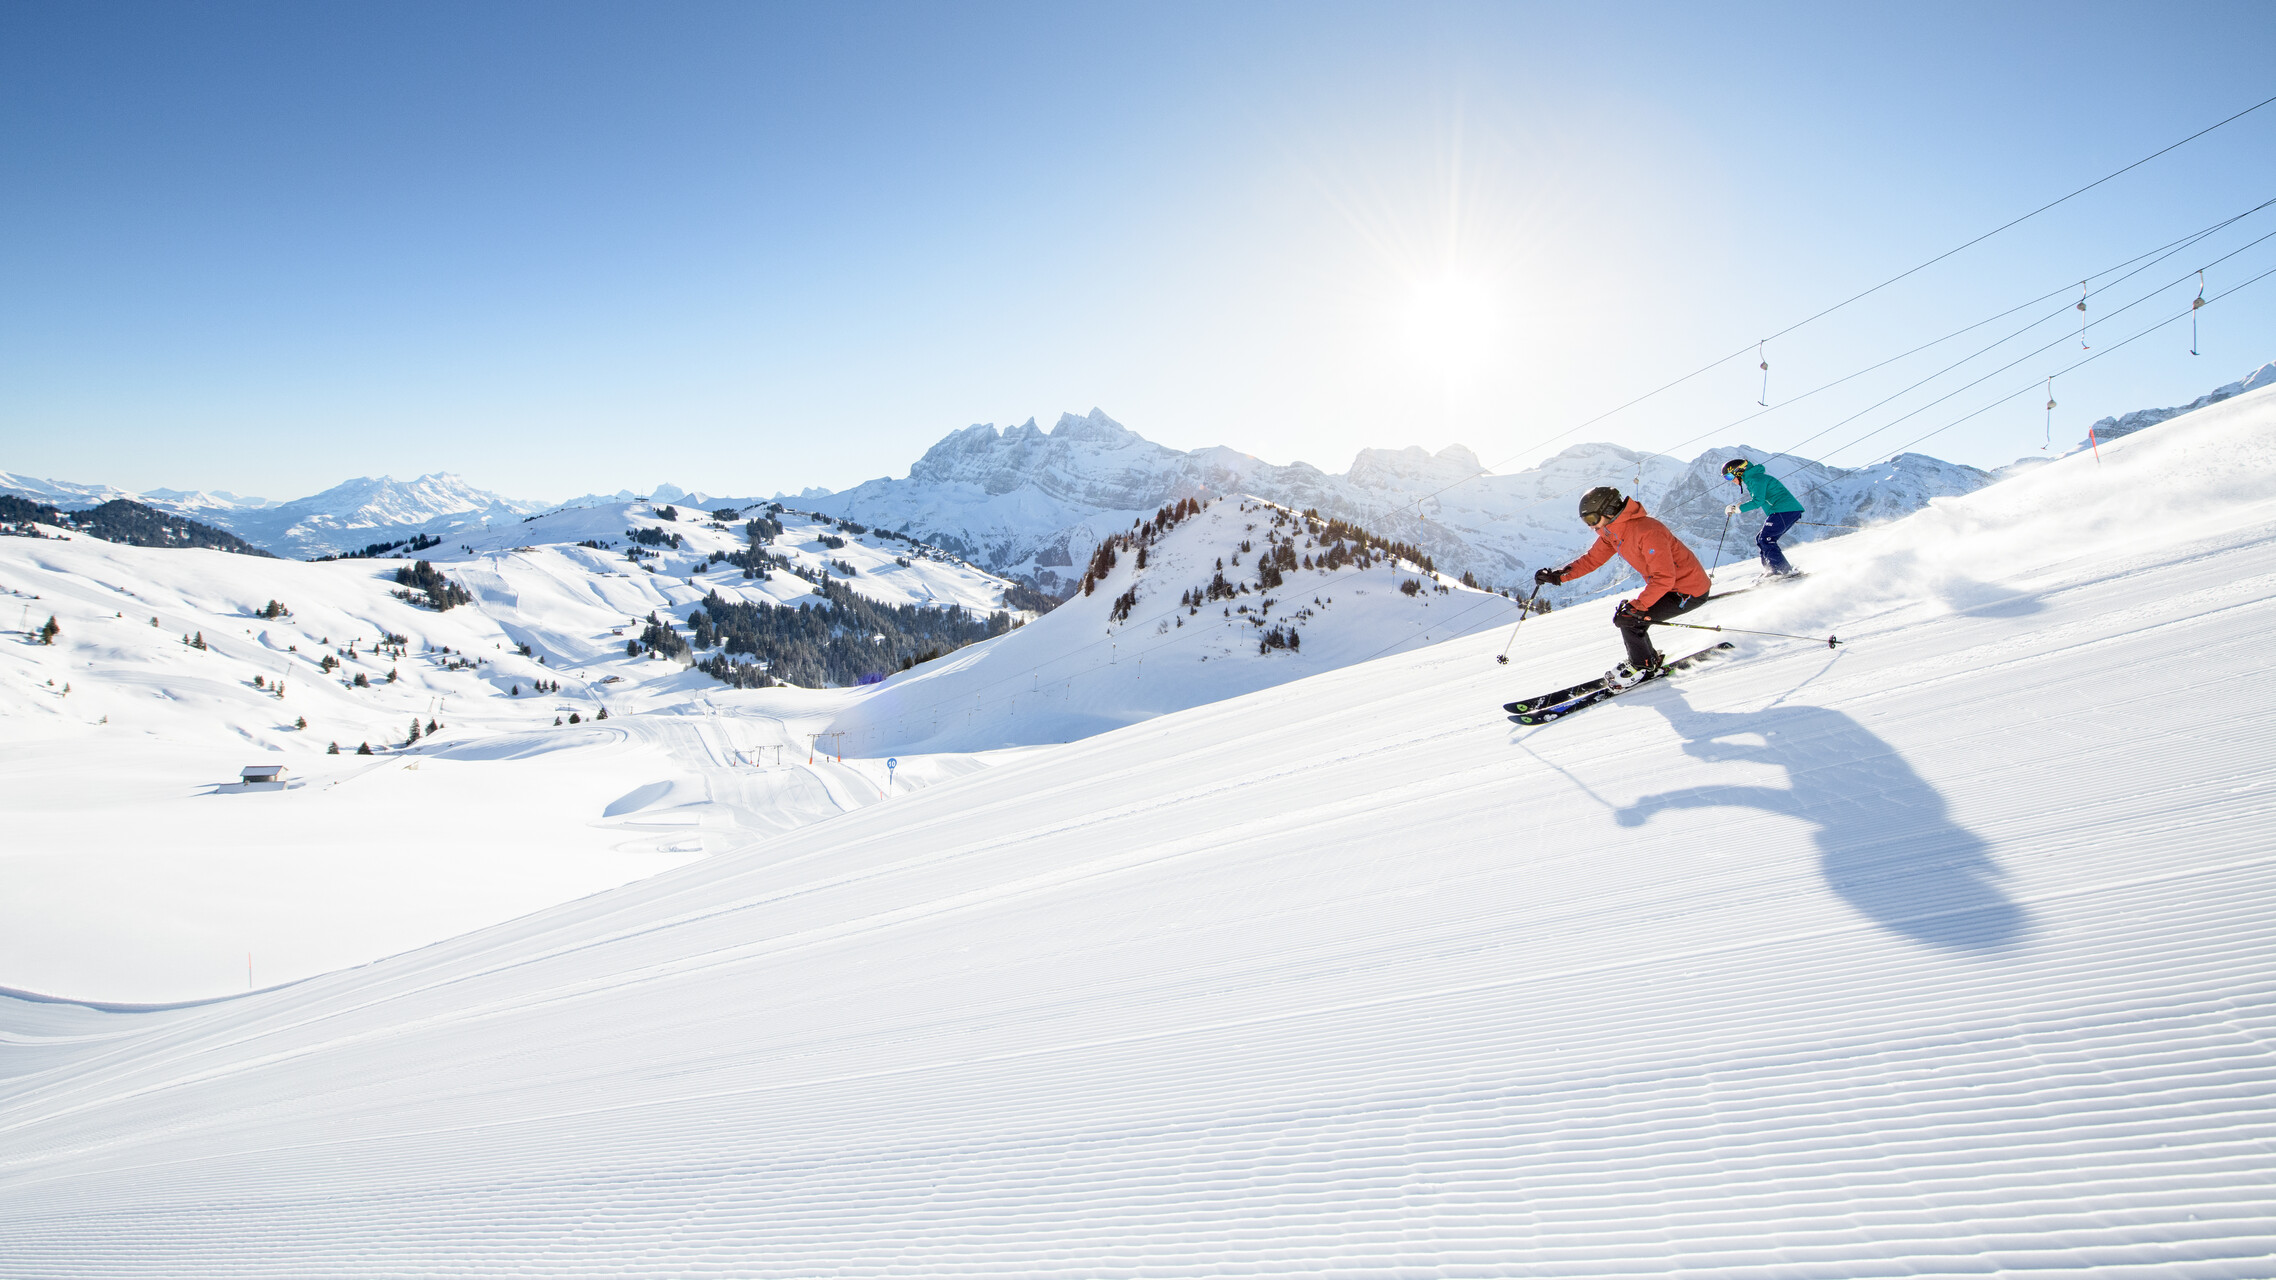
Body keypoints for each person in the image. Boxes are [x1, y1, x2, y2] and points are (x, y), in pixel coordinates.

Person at [1533, 485, 1712, 687]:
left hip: (1688, 591)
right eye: (1586, 521)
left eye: (1592, 519)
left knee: (1630, 619)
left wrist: (1639, 606)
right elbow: (1592, 559)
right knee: (1630, 616)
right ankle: (1646, 660)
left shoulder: (1648, 531)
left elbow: (1664, 577)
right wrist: (1558, 576)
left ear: (1609, 511)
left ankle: (1644, 667)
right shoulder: (1613, 532)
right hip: (1670, 587)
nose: (1591, 526)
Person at [1721, 458, 1805, 578]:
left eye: (1729, 477)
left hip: (1784, 510)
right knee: (1761, 538)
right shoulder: (1753, 479)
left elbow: (1757, 501)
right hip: (1783, 511)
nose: (1730, 481)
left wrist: (1737, 509)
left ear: (1738, 472)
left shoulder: (1755, 479)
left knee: (1766, 539)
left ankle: (1782, 571)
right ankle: (1771, 570)